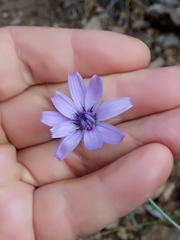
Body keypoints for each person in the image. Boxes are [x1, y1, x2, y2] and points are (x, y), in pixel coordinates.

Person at [0, 26, 178, 240]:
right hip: (75, 129)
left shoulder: (101, 120)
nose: (86, 120)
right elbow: (61, 131)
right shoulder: (74, 124)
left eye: (88, 119)